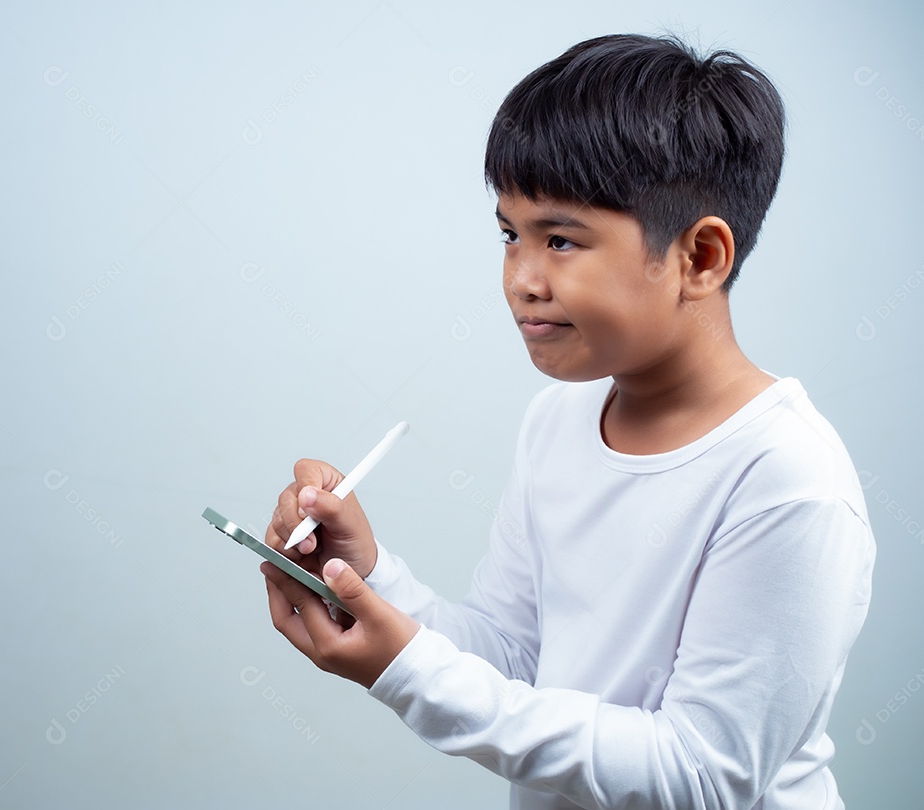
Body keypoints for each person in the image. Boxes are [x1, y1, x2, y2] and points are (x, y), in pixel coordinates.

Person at [260, 33, 875, 809]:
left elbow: (700, 774)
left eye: (560, 240)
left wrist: (406, 668)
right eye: (509, 234)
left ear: (701, 258)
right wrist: (368, 577)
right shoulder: (560, 419)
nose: (521, 279)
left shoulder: (788, 479)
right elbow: (518, 662)